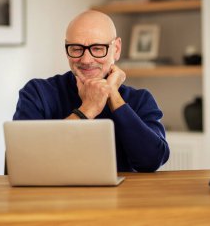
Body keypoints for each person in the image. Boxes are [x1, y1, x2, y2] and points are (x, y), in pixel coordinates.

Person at [13, 10, 169, 172]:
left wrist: (113, 95)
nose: (86, 60)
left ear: (116, 49)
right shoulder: (37, 93)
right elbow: (25, 160)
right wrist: (88, 109)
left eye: (97, 48)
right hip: (52, 196)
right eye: (76, 49)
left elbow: (151, 161)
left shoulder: (140, 99)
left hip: (121, 197)